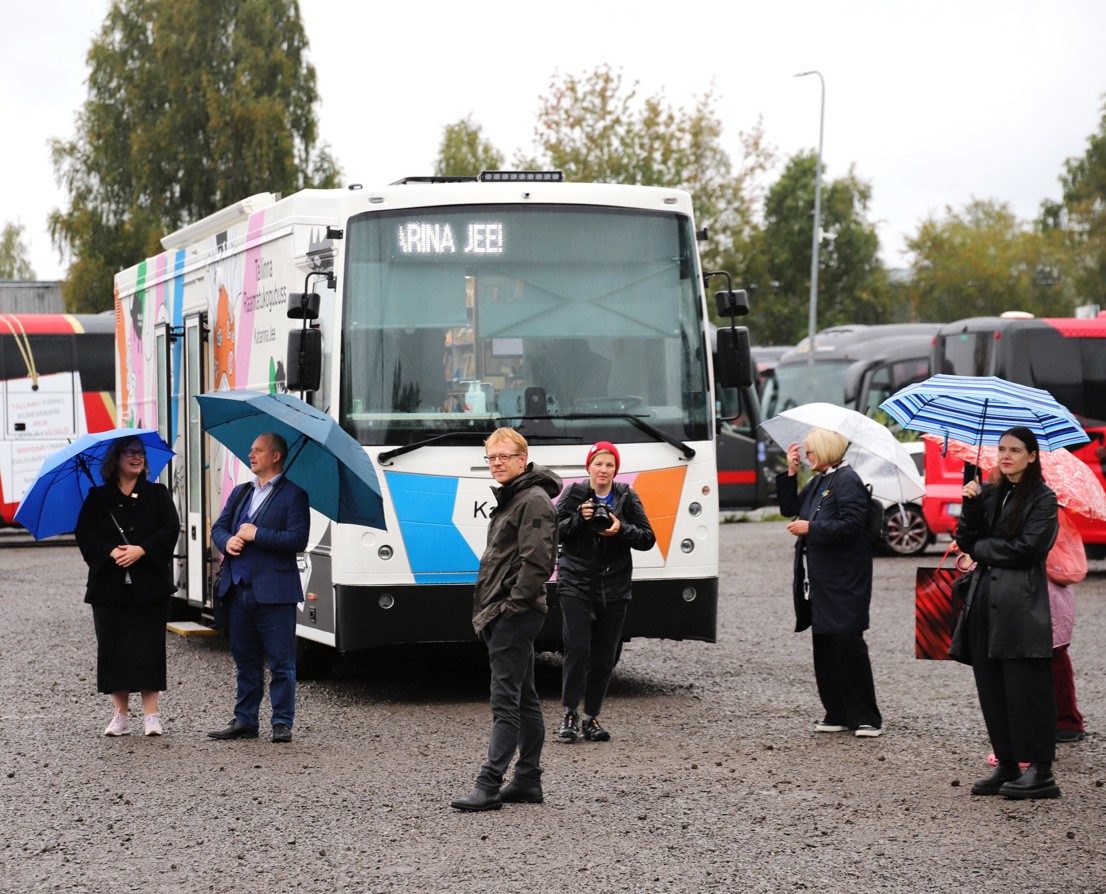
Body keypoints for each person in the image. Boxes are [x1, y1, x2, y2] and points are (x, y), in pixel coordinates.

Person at [451, 428, 561, 811]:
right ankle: (528, 780)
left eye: (504, 456)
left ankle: (488, 785)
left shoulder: (532, 500)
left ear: (522, 459)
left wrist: (509, 608)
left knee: (505, 703)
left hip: (514, 614)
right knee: (525, 698)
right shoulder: (516, 496)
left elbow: (538, 563)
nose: (496, 463)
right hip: (508, 612)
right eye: (491, 457)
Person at [950, 426, 1061, 799]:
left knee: (1027, 689)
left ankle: (1041, 771)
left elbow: (1028, 549)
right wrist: (971, 505)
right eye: (1001, 449)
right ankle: (1008, 763)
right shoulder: (990, 492)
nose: (1006, 456)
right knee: (991, 686)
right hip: (983, 599)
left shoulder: (1044, 498)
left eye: (1014, 450)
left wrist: (980, 548)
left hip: (1020, 605)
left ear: (1032, 456)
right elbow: (964, 539)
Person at [776, 427, 883, 738]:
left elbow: (852, 525)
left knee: (847, 643)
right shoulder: (820, 480)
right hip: (819, 578)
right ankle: (836, 712)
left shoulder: (847, 480)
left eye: (809, 452)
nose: (806, 456)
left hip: (845, 578)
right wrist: (791, 472)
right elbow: (790, 508)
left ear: (824, 451)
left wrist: (812, 528)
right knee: (824, 644)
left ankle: (866, 717)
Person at [207, 432, 310, 744]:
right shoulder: (241, 492)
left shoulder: (295, 495)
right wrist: (229, 541)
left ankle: (281, 723)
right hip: (238, 590)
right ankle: (245, 720)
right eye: (251, 450)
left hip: (275, 592)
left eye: (258, 450)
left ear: (276, 456)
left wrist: (257, 534)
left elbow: (298, 539)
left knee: (281, 662)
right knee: (245, 662)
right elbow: (218, 528)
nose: (251, 455)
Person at [75, 436, 180, 737]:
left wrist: (142, 550)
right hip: (109, 589)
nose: (137, 457)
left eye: (141, 453)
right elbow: (85, 534)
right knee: (113, 649)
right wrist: (110, 551)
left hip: (150, 587)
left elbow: (170, 529)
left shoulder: (157, 493)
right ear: (116, 458)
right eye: (131, 453)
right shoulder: (98, 496)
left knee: (149, 648)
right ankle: (120, 716)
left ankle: (151, 717)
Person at [554, 441, 655, 743]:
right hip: (575, 581)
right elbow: (552, 531)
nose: (603, 469)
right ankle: (570, 714)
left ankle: (591, 717)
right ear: (589, 467)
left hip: (614, 585)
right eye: (598, 463)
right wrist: (579, 518)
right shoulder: (574, 494)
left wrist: (621, 529)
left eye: (609, 465)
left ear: (616, 470)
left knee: (604, 655)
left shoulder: (626, 496)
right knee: (577, 647)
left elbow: (647, 538)